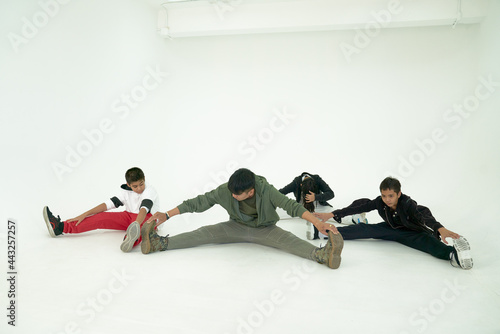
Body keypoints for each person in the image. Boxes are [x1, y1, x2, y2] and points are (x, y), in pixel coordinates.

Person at [140, 168, 344, 269]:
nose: (233, 196)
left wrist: (318, 222)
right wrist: (166, 214)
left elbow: (291, 206)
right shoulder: (227, 191)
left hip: (265, 229)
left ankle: (323, 256)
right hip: (235, 226)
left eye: (238, 194)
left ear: (251, 191)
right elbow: (198, 202)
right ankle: (159, 244)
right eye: (232, 193)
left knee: (290, 241)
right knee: (204, 234)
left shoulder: (267, 190)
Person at [314, 177, 473, 269]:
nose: (387, 200)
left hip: (412, 232)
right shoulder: (380, 202)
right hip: (391, 229)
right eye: (384, 196)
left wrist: (439, 228)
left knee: (428, 243)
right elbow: (361, 206)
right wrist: (333, 214)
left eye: (391, 196)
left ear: (399, 194)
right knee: (365, 229)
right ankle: (324, 232)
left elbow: (423, 214)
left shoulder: (408, 204)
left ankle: (454, 255)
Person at [42, 167, 160, 253]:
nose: (139, 188)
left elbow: (144, 208)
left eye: (141, 184)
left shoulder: (150, 190)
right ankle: (59, 227)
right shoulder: (125, 192)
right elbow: (107, 205)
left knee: (142, 227)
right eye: (135, 186)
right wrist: (84, 214)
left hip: (148, 218)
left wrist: (135, 224)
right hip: (128, 216)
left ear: (144, 179)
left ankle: (130, 239)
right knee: (101, 218)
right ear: (128, 185)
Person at [279, 172, 366, 240]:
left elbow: (331, 194)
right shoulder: (297, 182)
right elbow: (280, 192)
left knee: (332, 213)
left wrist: (315, 197)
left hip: (318, 206)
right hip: (300, 207)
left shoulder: (317, 179)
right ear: (301, 185)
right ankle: (266, 214)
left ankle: (355, 218)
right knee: (280, 211)